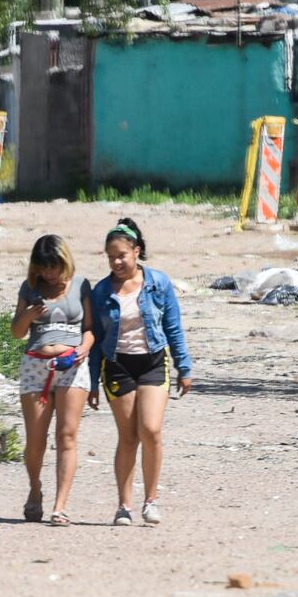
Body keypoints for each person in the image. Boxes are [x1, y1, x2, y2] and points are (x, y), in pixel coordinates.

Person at [85, 218, 193, 525]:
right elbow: (94, 341)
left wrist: (184, 367)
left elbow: (173, 328)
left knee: (151, 430)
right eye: (110, 257)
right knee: (128, 436)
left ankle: (151, 500)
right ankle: (124, 505)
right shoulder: (102, 291)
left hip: (153, 362)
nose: (116, 262)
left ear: (137, 251)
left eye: (122, 255)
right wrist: (92, 381)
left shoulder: (159, 283)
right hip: (117, 366)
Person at [9, 234, 94, 523]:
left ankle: (61, 505)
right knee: (36, 439)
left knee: (67, 435)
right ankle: (35, 490)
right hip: (37, 365)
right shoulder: (30, 288)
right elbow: (17, 333)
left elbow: (90, 328)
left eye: (54, 266)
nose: (49, 273)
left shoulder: (82, 285)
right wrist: (29, 315)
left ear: (65, 261)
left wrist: (84, 349)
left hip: (73, 365)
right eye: (44, 268)